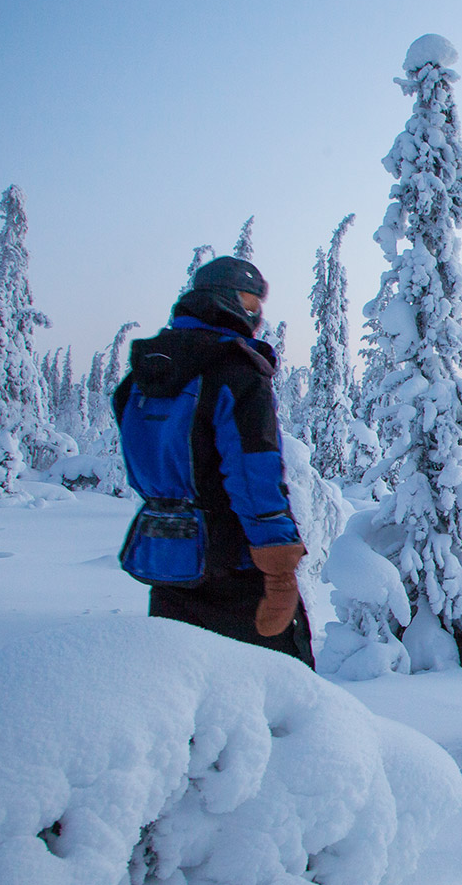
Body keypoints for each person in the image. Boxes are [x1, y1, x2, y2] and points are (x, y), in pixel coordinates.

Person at [113, 256, 312, 667]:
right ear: (225, 300)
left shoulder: (140, 377)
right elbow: (253, 473)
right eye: (249, 301)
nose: (255, 314)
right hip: (235, 562)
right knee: (280, 687)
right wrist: (278, 567)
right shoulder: (236, 372)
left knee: (179, 685)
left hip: (168, 558)